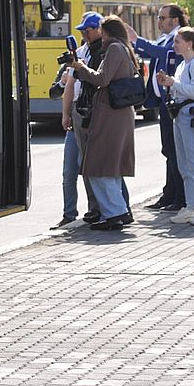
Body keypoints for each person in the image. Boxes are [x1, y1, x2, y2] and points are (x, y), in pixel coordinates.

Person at [70, 15, 139, 230]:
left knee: (99, 166)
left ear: (106, 31)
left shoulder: (114, 49)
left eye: (100, 29)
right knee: (107, 166)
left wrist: (81, 68)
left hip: (110, 114)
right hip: (115, 113)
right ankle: (116, 211)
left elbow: (102, 79)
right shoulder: (122, 48)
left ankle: (114, 212)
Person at [127, 4, 187, 213]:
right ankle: (170, 194)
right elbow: (154, 49)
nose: (159, 21)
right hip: (164, 103)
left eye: (163, 18)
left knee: (176, 152)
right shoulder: (166, 37)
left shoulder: (179, 38)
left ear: (175, 20)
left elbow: (164, 52)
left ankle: (180, 197)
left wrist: (136, 40)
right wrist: (135, 43)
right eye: (159, 18)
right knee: (168, 151)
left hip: (175, 103)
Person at [159, 27, 194, 227]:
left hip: (190, 116)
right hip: (180, 116)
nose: (174, 45)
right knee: (184, 164)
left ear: (189, 43)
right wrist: (169, 83)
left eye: (177, 41)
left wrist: (174, 83)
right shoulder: (184, 64)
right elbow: (181, 89)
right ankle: (192, 206)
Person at [54, 35, 93, 228]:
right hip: (72, 123)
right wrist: (62, 82)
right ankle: (69, 214)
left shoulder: (95, 55)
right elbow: (54, 92)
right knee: (68, 172)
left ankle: (96, 209)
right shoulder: (72, 59)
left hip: (89, 119)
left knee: (90, 168)